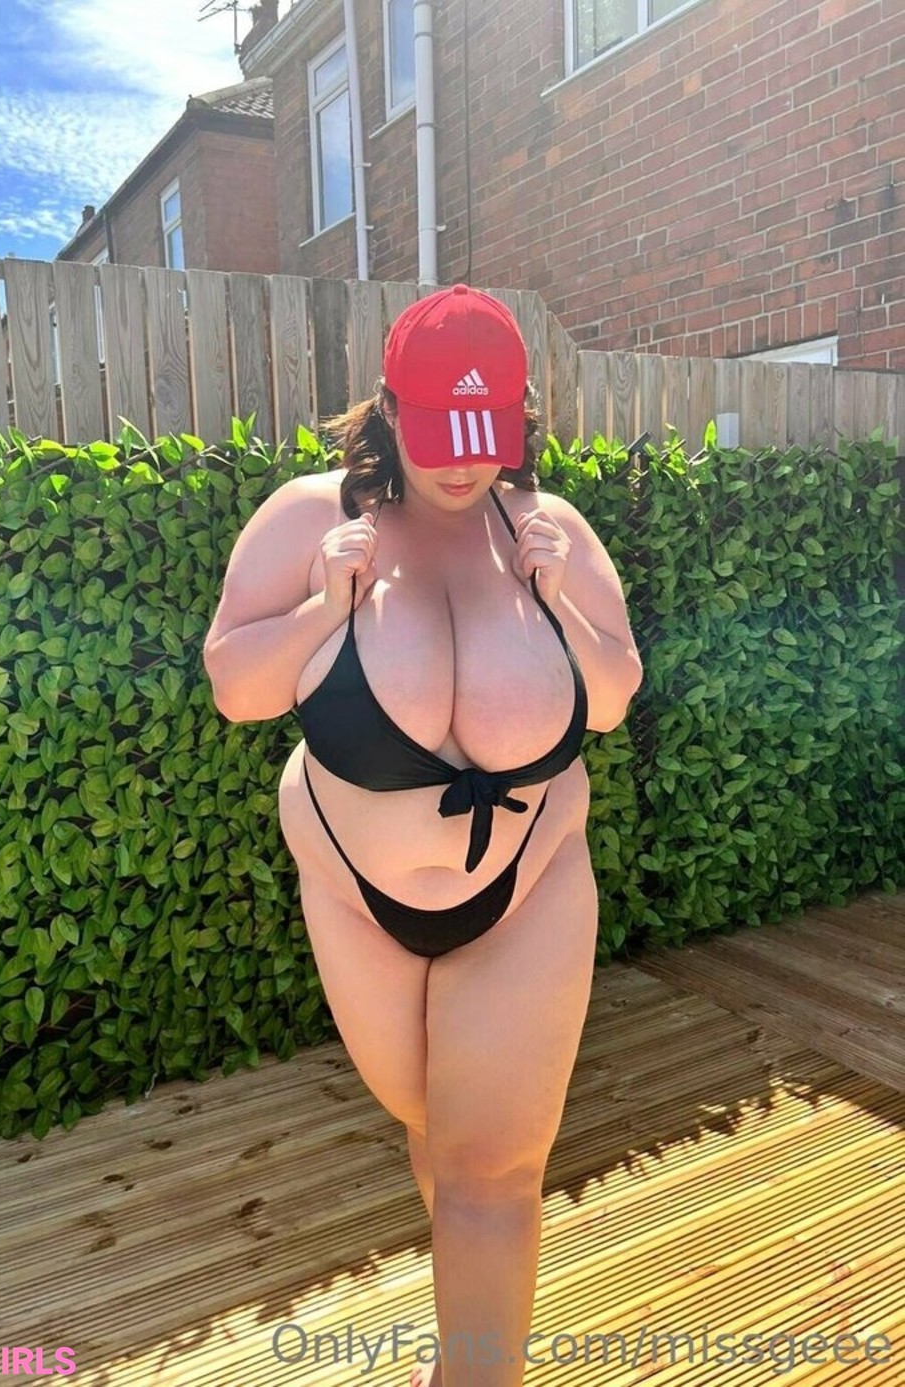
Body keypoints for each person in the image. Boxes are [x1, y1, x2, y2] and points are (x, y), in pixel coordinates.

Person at [203, 284, 643, 1387]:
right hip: (362, 898)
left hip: (527, 886)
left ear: (518, 418)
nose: (461, 464)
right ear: (391, 410)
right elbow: (235, 689)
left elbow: (612, 697)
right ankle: (463, 1353)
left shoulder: (548, 528)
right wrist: (323, 610)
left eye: (485, 434)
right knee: (437, 1137)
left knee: (490, 1167)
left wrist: (560, 598)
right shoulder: (309, 518)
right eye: (439, 432)